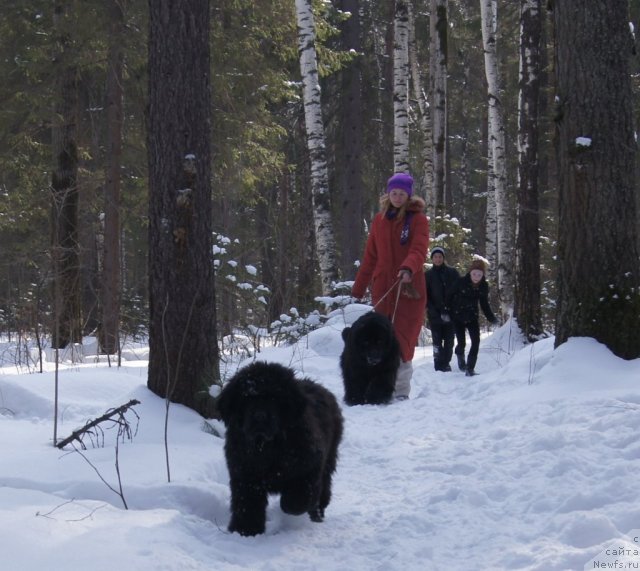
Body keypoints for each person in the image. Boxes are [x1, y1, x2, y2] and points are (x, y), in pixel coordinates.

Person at [352, 172, 429, 400]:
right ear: (388, 193)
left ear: (408, 195)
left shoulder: (418, 220)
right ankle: (380, 388)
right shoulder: (379, 220)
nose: (397, 197)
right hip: (382, 289)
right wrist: (358, 288)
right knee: (381, 341)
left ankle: (401, 391)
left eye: (401, 193)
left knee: (402, 340)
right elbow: (370, 257)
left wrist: (408, 267)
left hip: (409, 288)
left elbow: (419, 249)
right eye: (393, 193)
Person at [446, 258, 499, 376]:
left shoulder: (483, 286)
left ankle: (470, 368)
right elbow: (449, 296)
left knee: (476, 341)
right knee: (462, 342)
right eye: (474, 273)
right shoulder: (461, 282)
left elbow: (484, 304)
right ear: (470, 273)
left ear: (482, 275)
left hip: (472, 316)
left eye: (479, 274)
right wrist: (447, 311)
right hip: (458, 316)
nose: (476, 276)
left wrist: (492, 318)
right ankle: (460, 357)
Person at [425, 247, 460, 372]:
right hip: (435, 315)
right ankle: (438, 363)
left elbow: (458, 292)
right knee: (437, 341)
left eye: (440, 257)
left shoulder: (452, 272)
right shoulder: (428, 275)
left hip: (451, 314)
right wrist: (432, 310)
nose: (438, 259)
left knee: (449, 341)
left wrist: (453, 309)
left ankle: (446, 363)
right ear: (432, 259)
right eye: (435, 257)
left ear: (443, 258)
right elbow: (426, 296)